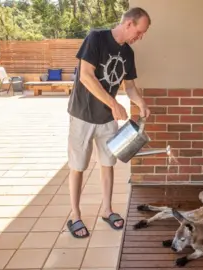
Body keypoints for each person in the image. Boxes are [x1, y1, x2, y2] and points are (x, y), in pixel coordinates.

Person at [66, 7, 151, 238]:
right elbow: (85, 76)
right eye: (140, 32)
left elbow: (130, 86)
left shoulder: (128, 54)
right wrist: (114, 104)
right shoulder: (97, 38)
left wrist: (140, 102)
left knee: (107, 164)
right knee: (78, 166)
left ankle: (107, 210)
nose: (140, 37)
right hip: (82, 114)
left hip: (106, 120)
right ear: (129, 24)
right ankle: (75, 215)